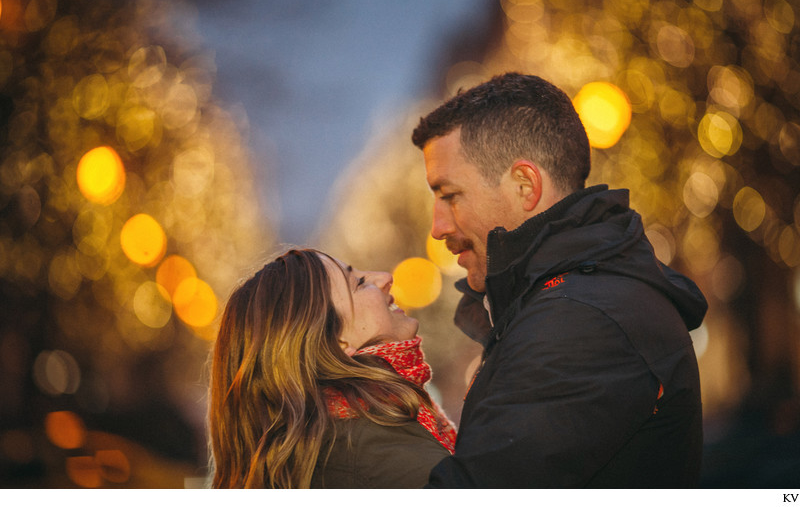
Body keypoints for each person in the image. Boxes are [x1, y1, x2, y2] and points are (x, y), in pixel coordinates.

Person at [411, 72, 707, 488]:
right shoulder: (576, 300)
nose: (438, 227)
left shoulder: (579, 321)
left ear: (524, 185)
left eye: (449, 195)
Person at [208, 248, 455, 488]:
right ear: (336, 342)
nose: (385, 278)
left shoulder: (329, 443)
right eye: (358, 283)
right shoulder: (371, 447)